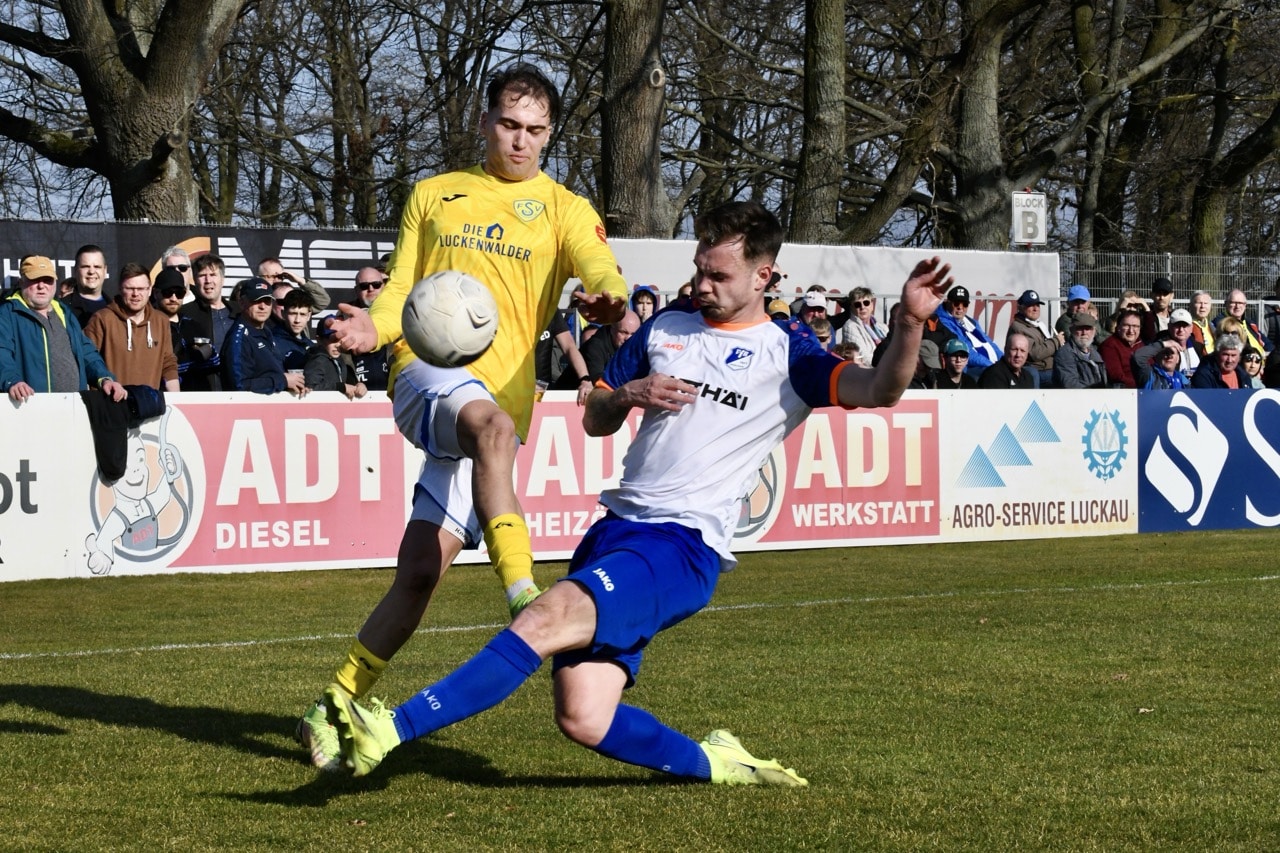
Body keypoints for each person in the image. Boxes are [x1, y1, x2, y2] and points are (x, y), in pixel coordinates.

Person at [317, 199, 955, 785]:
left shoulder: (788, 353)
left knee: (539, 617)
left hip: (682, 547)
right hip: (615, 530)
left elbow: (882, 390)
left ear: (765, 275)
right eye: (700, 268)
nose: (702, 284)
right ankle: (719, 763)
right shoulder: (668, 328)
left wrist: (908, 325)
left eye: (720, 275)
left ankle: (388, 730)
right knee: (584, 717)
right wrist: (627, 394)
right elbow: (596, 419)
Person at [306, 64, 628, 772]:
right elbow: (399, 292)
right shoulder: (435, 194)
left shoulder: (565, 208)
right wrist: (373, 327)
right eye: (509, 125)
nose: (521, 141)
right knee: (488, 427)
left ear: (551, 134)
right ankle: (526, 598)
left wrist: (607, 298)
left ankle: (333, 702)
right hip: (427, 376)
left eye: (535, 130)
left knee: (420, 571)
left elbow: (602, 269)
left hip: (501, 416)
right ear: (484, 122)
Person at [0, 255, 126, 403]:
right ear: (21, 282)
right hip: (29, 407)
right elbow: (2, 353)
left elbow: (86, 352)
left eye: (47, 280)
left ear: (54, 283)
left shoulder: (64, 312)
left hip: (74, 408)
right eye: (34, 280)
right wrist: (12, 381)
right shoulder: (7, 313)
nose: (42, 286)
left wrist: (104, 378)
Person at [83, 263, 180, 392]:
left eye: (141, 289)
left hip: (149, 405)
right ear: (120, 289)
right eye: (130, 288)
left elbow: (168, 364)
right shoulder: (102, 319)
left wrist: (176, 398)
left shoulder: (161, 321)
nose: (135, 294)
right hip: (111, 404)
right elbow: (87, 360)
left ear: (149, 290)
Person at [221, 278, 308, 395]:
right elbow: (239, 386)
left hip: (271, 409)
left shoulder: (266, 331)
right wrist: (283, 381)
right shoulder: (239, 338)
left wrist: (296, 384)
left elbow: (271, 373)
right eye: (256, 301)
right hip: (249, 411)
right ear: (241, 302)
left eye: (267, 301)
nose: (263, 306)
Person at [179, 254, 233, 391]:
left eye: (213, 274)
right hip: (202, 394)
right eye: (202, 275)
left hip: (239, 393)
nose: (208, 280)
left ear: (222, 279)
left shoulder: (240, 312)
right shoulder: (184, 314)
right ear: (195, 281)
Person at [926, 285, 1001, 378]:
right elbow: (966, 351)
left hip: (990, 365)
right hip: (970, 367)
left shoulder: (971, 321)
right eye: (956, 304)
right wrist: (993, 366)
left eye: (964, 304)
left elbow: (989, 343)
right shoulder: (942, 322)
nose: (960, 308)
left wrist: (1004, 361)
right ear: (948, 302)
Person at [150, 268, 204, 389]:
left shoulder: (193, 326)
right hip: (160, 398)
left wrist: (205, 353)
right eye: (168, 292)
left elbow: (213, 362)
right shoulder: (146, 326)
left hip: (197, 399)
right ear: (155, 293)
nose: (174, 298)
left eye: (179, 293)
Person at [348, 267, 391, 392]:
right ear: (356, 290)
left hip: (396, 388)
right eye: (364, 286)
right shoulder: (344, 315)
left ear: (383, 287)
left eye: (376, 285)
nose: (370, 289)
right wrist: (351, 382)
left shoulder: (399, 312)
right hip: (358, 391)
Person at [1008, 289, 1061, 387]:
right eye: (1031, 305)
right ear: (1021, 308)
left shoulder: (1038, 325)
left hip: (1049, 368)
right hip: (1035, 369)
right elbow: (1035, 353)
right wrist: (1056, 341)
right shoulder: (1018, 327)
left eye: (1037, 305)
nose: (1035, 309)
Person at [305, 327, 367, 398]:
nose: (337, 345)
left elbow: (349, 385)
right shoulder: (317, 360)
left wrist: (359, 386)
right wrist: (339, 387)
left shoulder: (342, 360)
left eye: (341, 340)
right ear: (320, 340)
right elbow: (309, 388)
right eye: (333, 340)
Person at [581, 310, 641, 383]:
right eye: (623, 332)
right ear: (612, 329)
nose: (628, 338)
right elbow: (597, 380)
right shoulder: (595, 346)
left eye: (633, 334)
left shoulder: (638, 346)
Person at [833, 287, 886, 367]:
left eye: (866, 303)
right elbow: (863, 357)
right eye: (857, 304)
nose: (862, 307)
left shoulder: (882, 327)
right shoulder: (850, 327)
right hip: (867, 373)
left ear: (872, 305)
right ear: (852, 308)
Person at [1053, 313, 1108, 389]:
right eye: (1080, 328)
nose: (1084, 332)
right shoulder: (1064, 354)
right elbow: (1071, 384)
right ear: (1071, 330)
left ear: (1094, 331)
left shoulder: (1095, 353)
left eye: (1088, 328)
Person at [257, 257, 331, 312]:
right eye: (271, 276)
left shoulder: (290, 297)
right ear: (259, 278)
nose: (277, 280)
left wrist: (301, 280)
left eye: (280, 276)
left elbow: (323, 301)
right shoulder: (254, 304)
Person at [61, 244, 111, 327]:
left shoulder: (116, 310)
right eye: (85, 266)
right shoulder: (62, 308)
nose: (91, 271)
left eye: (97, 267)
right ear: (76, 270)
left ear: (105, 270)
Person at [1097, 309, 1143, 388]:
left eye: (1135, 326)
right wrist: (1143, 385)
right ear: (1118, 327)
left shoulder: (1141, 344)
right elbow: (1117, 377)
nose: (1131, 330)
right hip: (1124, 393)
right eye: (1126, 326)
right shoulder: (1109, 346)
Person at [271, 289, 315, 373]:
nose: (297, 320)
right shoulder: (270, 342)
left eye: (302, 314)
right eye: (293, 313)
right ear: (283, 313)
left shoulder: (311, 346)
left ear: (309, 316)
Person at [1215, 289, 1270, 354]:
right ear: (1226, 304)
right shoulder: (1220, 323)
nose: (1237, 306)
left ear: (1245, 305)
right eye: (1233, 302)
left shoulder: (1249, 323)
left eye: (1240, 303)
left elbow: (1267, 343)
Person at [1140, 277, 1174, 342]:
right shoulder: (1144, 317)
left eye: (1165, 294)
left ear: (1171, 296)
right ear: (1151, 295)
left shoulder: (1175, 317)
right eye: (1158, 293)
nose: (1161, 297)